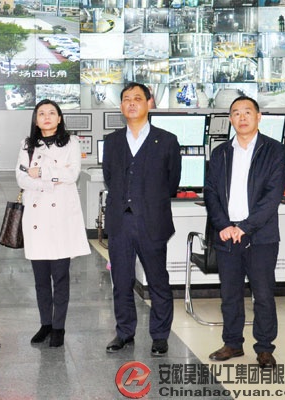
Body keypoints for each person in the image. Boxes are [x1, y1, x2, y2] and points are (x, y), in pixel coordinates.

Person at [205, 96, 285, 369]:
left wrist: (245, 227)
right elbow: (211, 192)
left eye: (247, 112)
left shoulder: (273, 150)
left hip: (261, 235)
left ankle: (264, 348)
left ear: (258, 116)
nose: (242, 117)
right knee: (230, 293)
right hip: (227, 234)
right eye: (236, 113)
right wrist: (224, 225)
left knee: (262, 294)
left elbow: (272, 196)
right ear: (230, 119)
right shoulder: (220, 152)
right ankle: (232, 343)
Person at [103, 82, 181, 357]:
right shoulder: (112, 141)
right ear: (121, 106)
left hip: (152, 222)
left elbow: (172, 182)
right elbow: (110, 177)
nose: (132, 103)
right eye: (126, 99)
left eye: (138, 98)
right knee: (122, 281)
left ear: (149, 103)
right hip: (120, 223)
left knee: (157, 281)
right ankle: (124, 332)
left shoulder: (167, 140)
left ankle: (159, 336)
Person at [15, 99, 90, 348]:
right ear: (36, 120)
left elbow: (72, 174)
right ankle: (45, 323)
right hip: (36, 219)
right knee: (40, 280)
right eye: (41, 113)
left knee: (60, 277)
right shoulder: (27, 144)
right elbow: (21, 178)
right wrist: (52, 180)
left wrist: (42, 173)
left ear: (59, 118)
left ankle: (59, 326)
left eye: (51, 113)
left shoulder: (71, 143)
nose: (46, 117)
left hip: (61, 219)